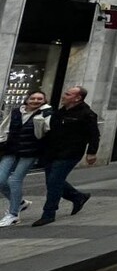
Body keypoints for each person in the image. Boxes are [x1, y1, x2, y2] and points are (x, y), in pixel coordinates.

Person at [32, 86, 98, 227]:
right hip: (52, 151)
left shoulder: (87, 114)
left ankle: (49, 214)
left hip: (70, 153)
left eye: (67, 94)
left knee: (54, 182)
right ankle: (78, 197)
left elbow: (94, 135)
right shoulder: (60, 112)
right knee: (53, 181)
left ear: (77, 98)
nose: (63, 96)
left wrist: (92, 152)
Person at [0, 90, 52, 227]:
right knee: (0, 179)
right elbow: (5, 128)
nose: (36, 101)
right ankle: (20, 203)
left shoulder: (47, 113)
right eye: (33, 98)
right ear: (27, 99)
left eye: (39, 99)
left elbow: (45, 133)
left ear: (44, 101)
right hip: (11, 149)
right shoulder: (17, 112)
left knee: (15, 180)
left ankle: (13, 214)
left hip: (31, 151)